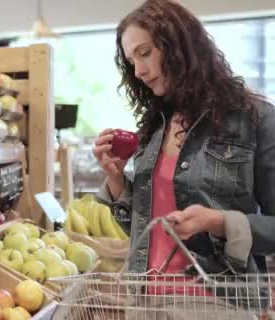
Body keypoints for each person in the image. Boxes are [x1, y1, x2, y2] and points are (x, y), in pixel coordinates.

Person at [93, 0, 275, 318]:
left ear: (180, 45)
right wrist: (117, 180)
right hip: (144, 303)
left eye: (145, 53)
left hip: (215, 304)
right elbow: (143, 232)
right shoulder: (156, 125)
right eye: (131, 60)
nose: (138, 71)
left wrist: (218, 222)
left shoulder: (255, 119)